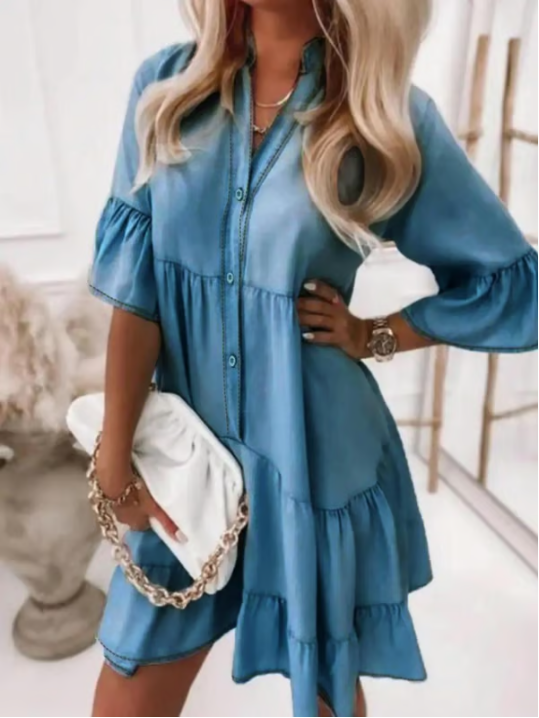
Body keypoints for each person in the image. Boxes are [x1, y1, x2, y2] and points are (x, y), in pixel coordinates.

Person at [88, 1, 538, 716]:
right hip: (185, 458)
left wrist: (377, 333)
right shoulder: (166, 89)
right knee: (129, 684)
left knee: (324, 687)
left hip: (314, 458)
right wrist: (114, 458)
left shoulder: (380, 114)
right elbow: (136, 295)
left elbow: (513, 284)